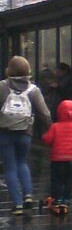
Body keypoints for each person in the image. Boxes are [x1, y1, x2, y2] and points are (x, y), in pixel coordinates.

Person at [0, 55, 52, 215]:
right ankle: (28, 194)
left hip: (5, 133)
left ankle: (17, 204)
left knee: (10, 167)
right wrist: (50, 127)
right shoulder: (33, 90)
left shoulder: (2, 86)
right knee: (22, 162)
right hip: (26, 133)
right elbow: (44, 113)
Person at [41, 99, 72, 215]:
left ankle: (57, 198)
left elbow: (48, 140)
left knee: (57, 180)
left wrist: (44, 136)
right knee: (69, 180)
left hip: (57, 159)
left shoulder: (55, 127)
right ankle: (67, 199)